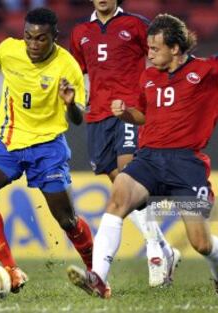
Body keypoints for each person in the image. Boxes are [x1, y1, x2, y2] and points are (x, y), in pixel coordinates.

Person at [67, 14, 218, 298]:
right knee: (119, 195)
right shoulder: (148, 76)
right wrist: (126, 114)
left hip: (186, 164)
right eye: (148, 48)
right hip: (148, 158)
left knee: (201, 244)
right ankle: (98, 277)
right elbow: (144, 116)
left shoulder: (210, 70)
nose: (150, 54)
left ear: (175, 48)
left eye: (155, 48)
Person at [0, 8, 95, 294]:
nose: (33, 45)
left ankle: (96, 273)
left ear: (54, 37)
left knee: (66, 220)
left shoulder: (68, 66)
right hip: (7, 139)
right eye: (28, 37)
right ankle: (11, 270)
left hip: (47, 145)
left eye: (41, 39)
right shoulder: (10, 49)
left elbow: (79, 117)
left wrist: (69, 104)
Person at [69, 0, 179, 287]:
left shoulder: (136, 24)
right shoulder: (81, 31)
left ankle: (154, 251)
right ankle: (166, 249)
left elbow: (160, 57)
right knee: (119, 181)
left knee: (128, 174)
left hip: (129, 111)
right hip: (97, 116)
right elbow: (77, 71)